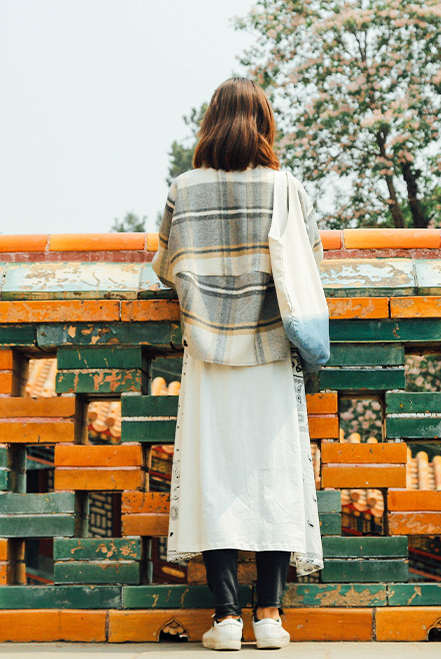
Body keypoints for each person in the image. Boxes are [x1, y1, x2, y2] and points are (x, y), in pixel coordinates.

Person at [151, 78, 324, 651]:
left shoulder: (184, 187)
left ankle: (225, 619)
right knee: (274, 478)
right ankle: (269, 617)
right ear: (264, 124)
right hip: (271, 353)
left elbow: (165, 264)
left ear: (211, 124)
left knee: (214, 477)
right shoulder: (287, 188)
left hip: (207, 353)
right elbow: (310, 261)